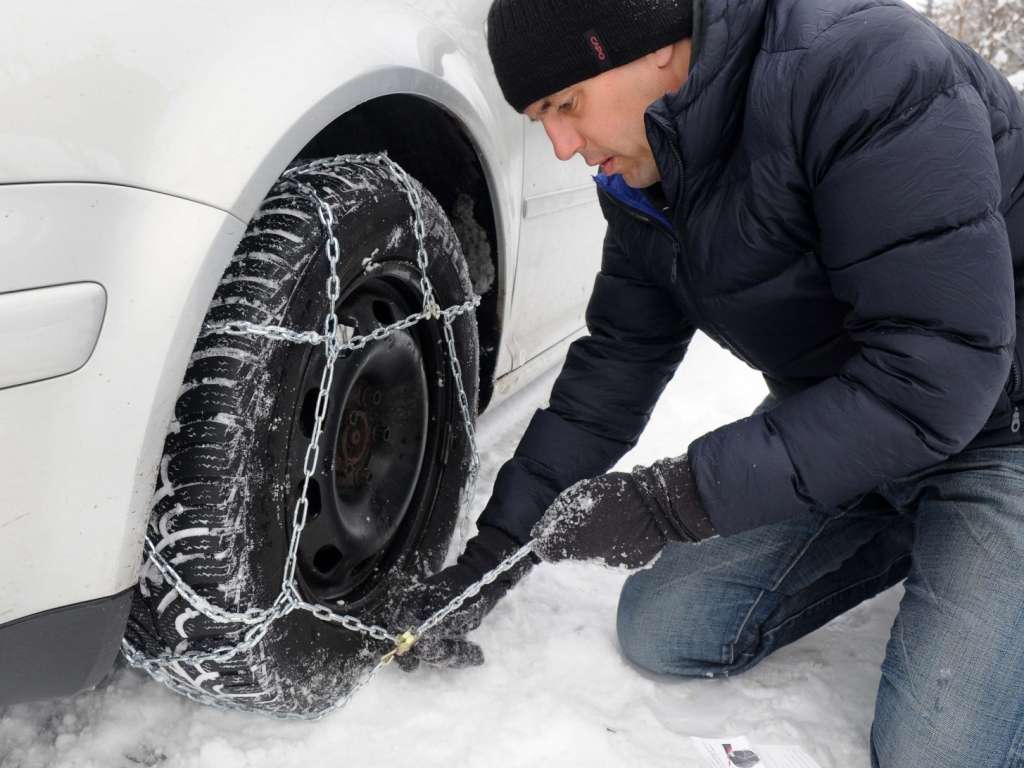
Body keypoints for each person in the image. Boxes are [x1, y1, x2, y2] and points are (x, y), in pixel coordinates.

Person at [388, 0, 1024, 764]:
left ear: (653, 46)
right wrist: (493, 554)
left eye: (566, 104)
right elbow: (617, 362)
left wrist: (671, 500)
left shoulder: (867, 74)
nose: (562, 145)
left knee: (938, 753)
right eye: (540, 119)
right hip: (858, 417)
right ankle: (914, 528)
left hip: (1000, 425)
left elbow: (938, 375)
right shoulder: (647, 170)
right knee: (665, 627)